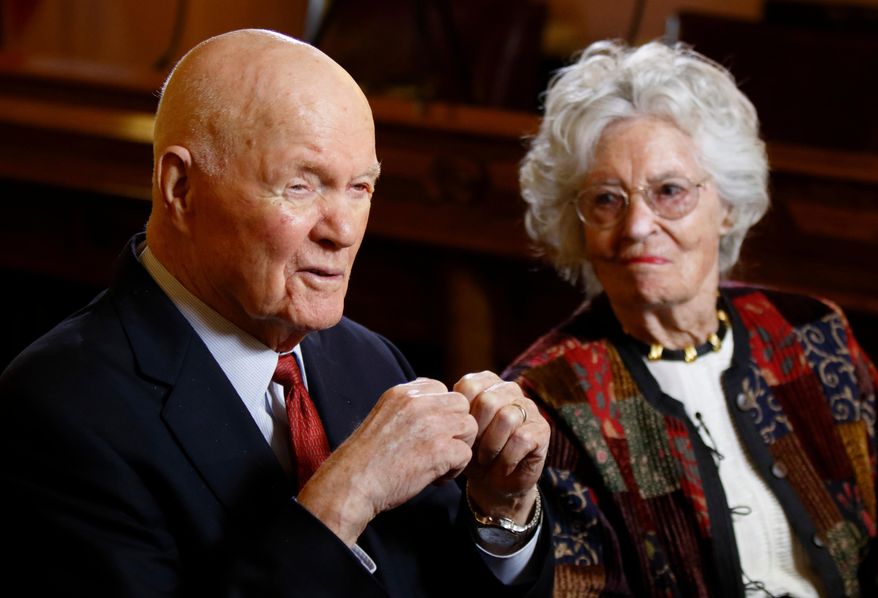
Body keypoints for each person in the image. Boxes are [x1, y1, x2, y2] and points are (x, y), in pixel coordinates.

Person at [0, 29, 554, 597]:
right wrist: (346, 496)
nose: (342, 231)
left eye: (360, 187)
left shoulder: (369, 359)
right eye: (300, 186)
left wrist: (500, 510)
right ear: (182, 188)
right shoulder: (57, 409)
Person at [504, 39, 876, 597]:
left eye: (670, 191)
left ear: (727, 205)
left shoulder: (810, 332)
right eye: (606, 199)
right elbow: (577, 586)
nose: (637, 226)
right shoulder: (550, 396)